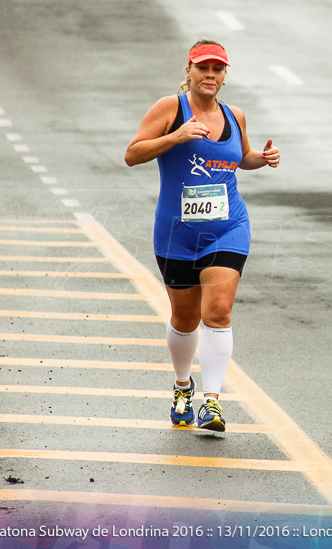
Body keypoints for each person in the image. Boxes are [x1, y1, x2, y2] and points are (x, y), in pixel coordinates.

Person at [125, 39, 279, 432]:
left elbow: (239, 157)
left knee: (219, 312)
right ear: (189, 70)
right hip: (176, 233)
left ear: (225, 76)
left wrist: (262, 159)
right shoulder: (169, 109)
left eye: (218, 69)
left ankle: (212, 401)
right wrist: (175, 137)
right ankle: (182, 386)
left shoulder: (235, 114)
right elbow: (133, 153)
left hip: (229, 227)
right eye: (203, 68)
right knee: (185, 318)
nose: (210, 75)